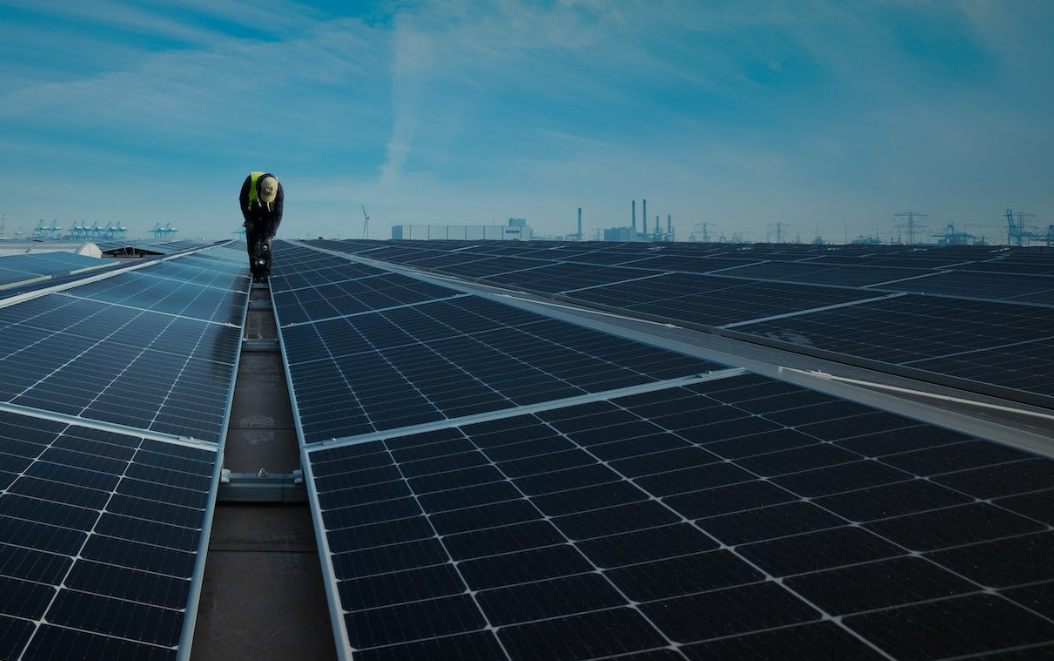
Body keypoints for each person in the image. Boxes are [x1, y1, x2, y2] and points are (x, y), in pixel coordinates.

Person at [239, 171, 284, 282]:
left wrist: (269, 235)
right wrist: (248, 219)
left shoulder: (279, 190)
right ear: (260, 188)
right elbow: (242, 200)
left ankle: (265, 273)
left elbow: (278, 214)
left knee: (266, 243)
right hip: (252, 212)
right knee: (252, 239)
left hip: (268, 214)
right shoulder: (250, 181)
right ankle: (254, 271)